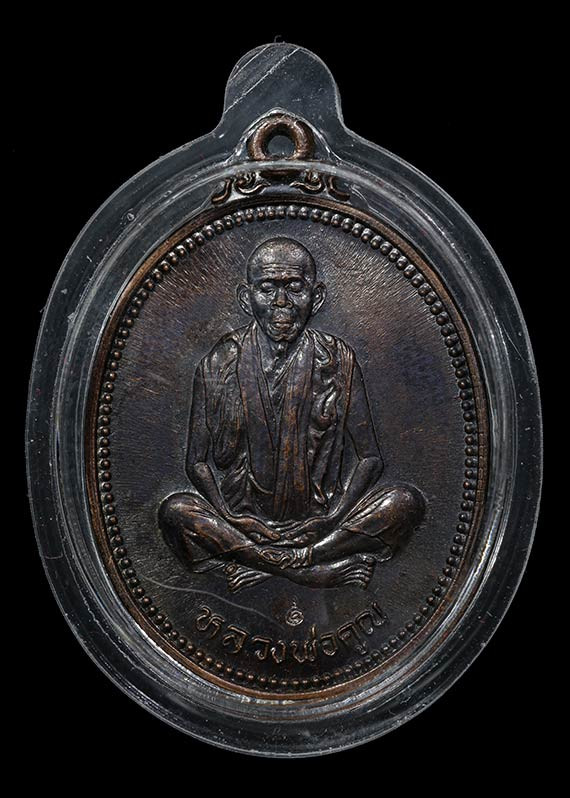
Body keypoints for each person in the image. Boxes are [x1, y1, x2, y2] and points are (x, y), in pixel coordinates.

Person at [159, 237, 425, 592]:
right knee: (175, 512)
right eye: (268, 289)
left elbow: (370, 458)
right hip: (243, 526)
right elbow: (197, 462)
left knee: (404, 504)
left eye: (295, 288)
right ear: (246, 298)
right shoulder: (219, 361)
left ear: (317, 298)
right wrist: (230, 517)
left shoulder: (339, 359)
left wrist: (332, 517)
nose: (281, 303)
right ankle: (310, 569)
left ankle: (266, 562)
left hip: (321, 523)